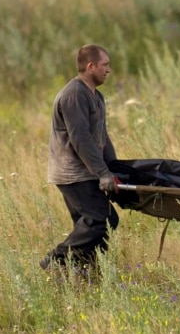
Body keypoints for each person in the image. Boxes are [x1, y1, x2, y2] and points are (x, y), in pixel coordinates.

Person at [40, 44, 120, 272]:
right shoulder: (74, 94)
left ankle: (84, 275)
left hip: (88, 171)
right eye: (105, 65)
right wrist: (102, 173)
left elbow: (101, 136)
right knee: (103, 221)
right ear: (90, 66)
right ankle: (54, 261)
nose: (108, 70)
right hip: (73, 173)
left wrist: (113, 169)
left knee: (88, 228)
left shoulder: (97, 96)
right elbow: (80, 138)